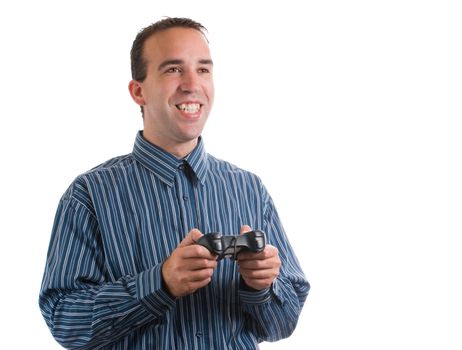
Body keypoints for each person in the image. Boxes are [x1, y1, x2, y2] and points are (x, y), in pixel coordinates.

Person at [39, 17, 310, 349]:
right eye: (173, 70)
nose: (192, 84)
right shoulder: (89, 196)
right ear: (138, 91)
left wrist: (260, 287)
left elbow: (285, 323)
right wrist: (160, 283)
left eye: (203, 69)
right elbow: (64, 321)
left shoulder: (250, 190)